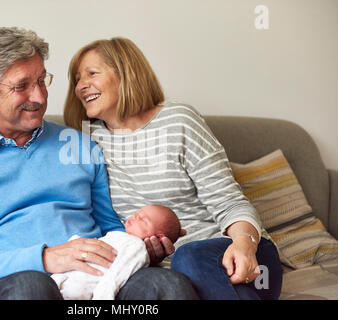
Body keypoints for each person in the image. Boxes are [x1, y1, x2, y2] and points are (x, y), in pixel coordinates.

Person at [0, 27, 197, 300]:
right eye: (21, 86)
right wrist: (46, 258)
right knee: (31, 287)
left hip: (93, 278)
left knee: (166, 285)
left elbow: (111, 228)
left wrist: (138, 249)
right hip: (13, 285)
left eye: (41, 81)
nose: (39, 97)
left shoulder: (80, 145)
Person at [63, 37, 283, 300]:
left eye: (92, 73)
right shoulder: (87, 143)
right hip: (171, 277)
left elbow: (230, 202)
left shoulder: (178, 120)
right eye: (77, 79)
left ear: (126, 74)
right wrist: (145, 252)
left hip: (239, 254)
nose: (80, 86)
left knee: (190, 257)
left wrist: (244, 246)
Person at [52, 204, 183, 300]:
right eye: (137, 213)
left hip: (82, 286)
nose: (135, 216)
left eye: (143, 220)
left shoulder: (137, 246)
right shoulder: (117, 235)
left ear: (158, 237)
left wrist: (104, 296)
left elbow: (117, 275)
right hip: (66, 275)